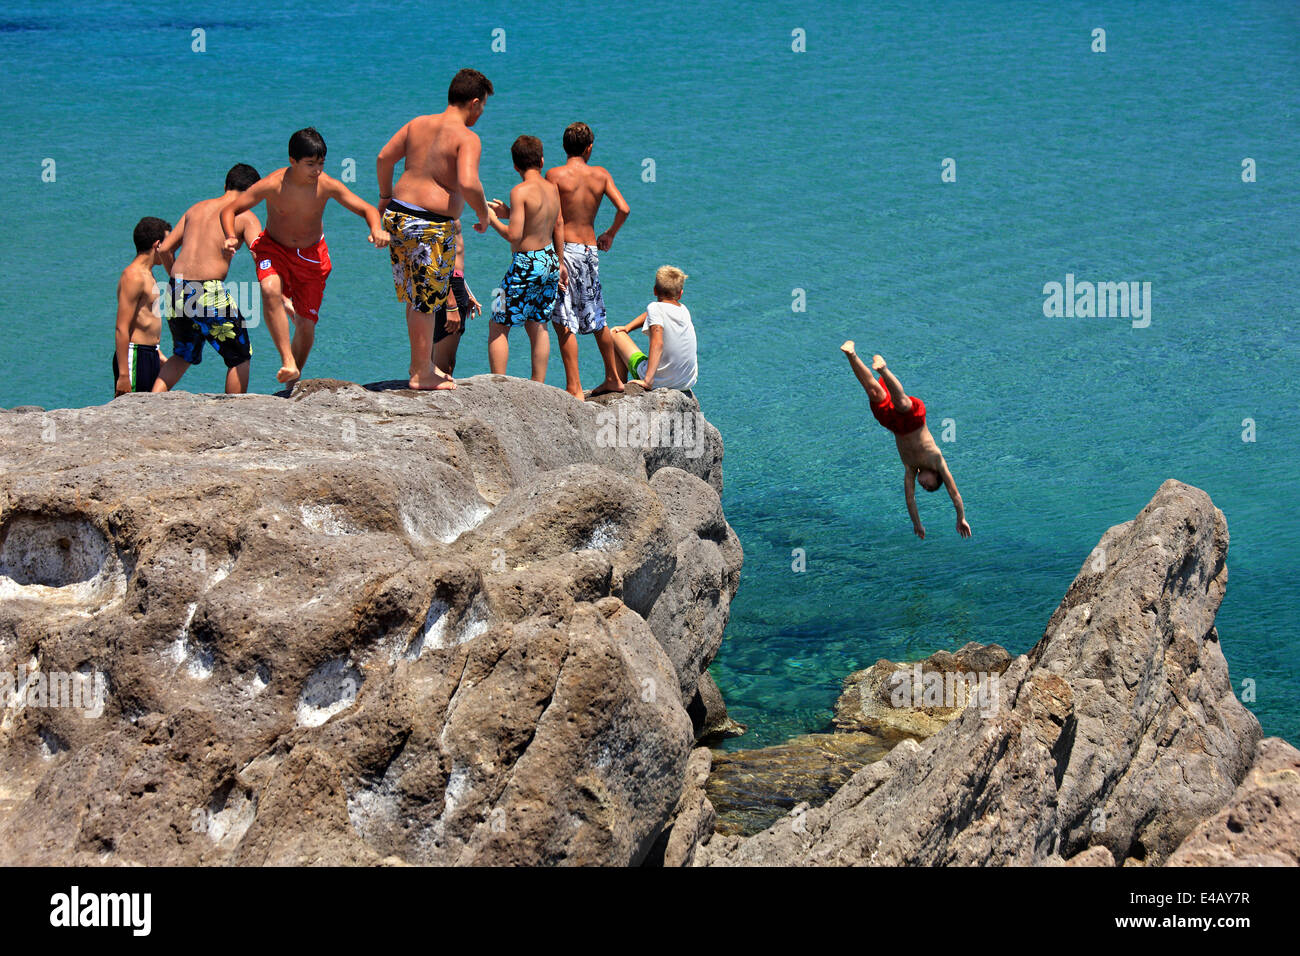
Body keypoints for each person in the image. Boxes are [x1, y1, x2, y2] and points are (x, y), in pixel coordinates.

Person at [220, 127, 389, 385]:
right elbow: (230, 209)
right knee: (269, 289)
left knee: (306, 327)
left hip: (312, 257)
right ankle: (286, 359)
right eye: (310, 164)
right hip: (274, 248)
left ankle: (292, 378)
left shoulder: (326, 185)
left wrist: (376, 229)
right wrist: (231, 235)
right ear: (292, 161)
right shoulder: (272, 184)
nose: (317, 171)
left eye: (321, 163)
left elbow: (366, 208)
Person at [376, 68, 495, 390]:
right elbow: (469, 183)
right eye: (482, 106)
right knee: (427, 302)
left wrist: (385, 196)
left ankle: (421, 365)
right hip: (429, 225)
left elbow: (384, 157)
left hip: (398, 216)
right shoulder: (466, 137)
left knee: (415, 299)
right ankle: (421, 373)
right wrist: (483, 214)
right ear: (474, 102)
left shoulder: (418, 124)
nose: (481, 113)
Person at [841, 341, 972, 539]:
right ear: (936, 476)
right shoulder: (936, 459)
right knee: (902, 404)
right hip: (914, 421)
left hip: (894, 425)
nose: (924, 486)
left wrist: (917, 524)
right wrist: (960, 518)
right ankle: (883, 369)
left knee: (874, 392)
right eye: (930, 485)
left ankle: (851, 354)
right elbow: (955, 494)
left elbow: (910, 499)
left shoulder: (910, 468)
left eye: (924, 488)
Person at [152, 164, 262, 395]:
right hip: (207, 291)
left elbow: (164, 250)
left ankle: (152, 402)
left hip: (175, 288)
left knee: (183, 354)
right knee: (239, 356)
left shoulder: (196, 209)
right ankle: (234, 414)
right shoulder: (245, 215)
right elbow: (259, 253)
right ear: (254, 193)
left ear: (225, 186)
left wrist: (180, 282)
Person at [546, 122, 630, 399]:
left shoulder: (554, 175)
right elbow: (624, 208)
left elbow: (554, 218)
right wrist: (610, 234)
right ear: (589, 147)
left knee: (563, 318)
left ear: (563, 146)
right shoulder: (600, 175)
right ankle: (613, 378)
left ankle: (574, 387)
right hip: (589, 250)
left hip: (565, 251)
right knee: (596, 315)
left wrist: (556, 259)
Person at [485, 135, 568, 382]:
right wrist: (561, 263)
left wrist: (493, 220)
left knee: (498, 321)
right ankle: (538, 384)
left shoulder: (519, 191)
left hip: (526, 264)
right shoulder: (552, 188)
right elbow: (557, 223)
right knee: (538, 323)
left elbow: (514, 236)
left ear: (515, 166)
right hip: (550, 260)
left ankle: (499, 384)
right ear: (542, 160)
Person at [609, 265, 697, 392]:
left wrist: (647, 380)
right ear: (680, 294)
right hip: (685, 381)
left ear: (655, 291)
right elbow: (650, 314)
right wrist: (628, 328)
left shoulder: (654, 307)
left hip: (660, 381)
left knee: (614, 333)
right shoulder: (683, 310)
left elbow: (657, 343)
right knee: (622, 331)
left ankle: (619, 386)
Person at [113, 217, 172, 396]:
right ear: (157, 245)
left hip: (149, 353)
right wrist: (124, 374)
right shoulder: (133, 276)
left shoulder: (148, 274)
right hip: (135, 356)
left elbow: (144, 319)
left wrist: (158, 353)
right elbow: (122, 327)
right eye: (167, 243)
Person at [431, 221, 483, 377]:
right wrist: (452, 303)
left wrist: (466, 291)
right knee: (443, 367)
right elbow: (435, 260)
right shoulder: (440, 211)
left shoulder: (446, 209)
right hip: (447, 287)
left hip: (451, 284)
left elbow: (451, 258)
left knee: (440, 361)